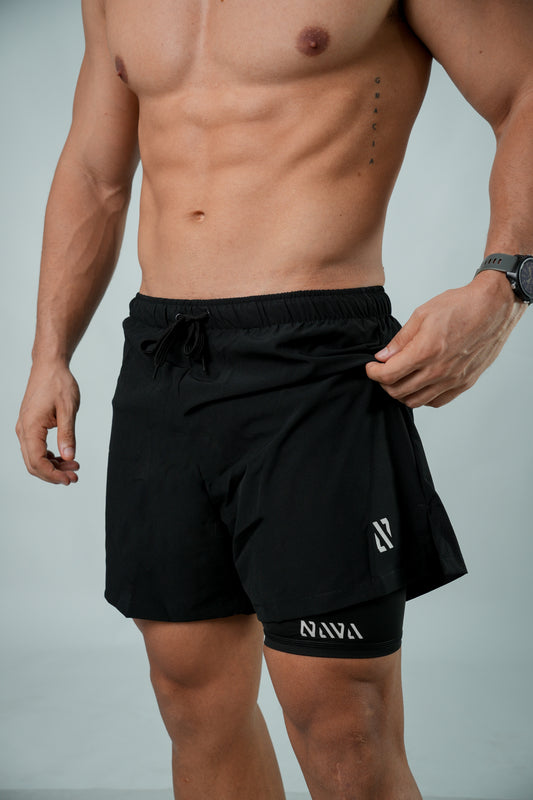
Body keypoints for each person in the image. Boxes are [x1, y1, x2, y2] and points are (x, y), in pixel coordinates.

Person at [15, 0, 532, 797]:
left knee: (341, 721)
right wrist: (50, 352)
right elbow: (95, 170)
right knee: (190, 697)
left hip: (315, 357)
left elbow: (524, 90)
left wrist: (506, 281)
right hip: (162, 356)